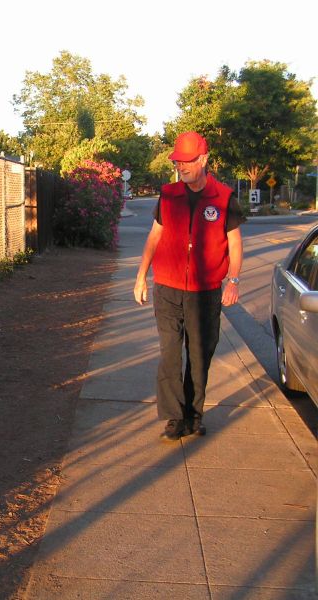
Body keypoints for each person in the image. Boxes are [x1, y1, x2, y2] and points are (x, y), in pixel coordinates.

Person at [133, 131, 244, 441]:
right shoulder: (169, 195)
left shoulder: (223, 198)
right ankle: (173, 418)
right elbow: (154, 237)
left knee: (199, 355)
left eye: (186, 161)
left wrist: (233, 280)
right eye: (177, 161)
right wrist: (141, 275)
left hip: (205, 292)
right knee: (170, 353)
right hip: (167, 288)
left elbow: (234, 244)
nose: (180, 166)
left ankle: (193, 417)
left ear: (203, 160)